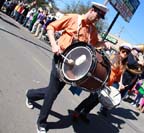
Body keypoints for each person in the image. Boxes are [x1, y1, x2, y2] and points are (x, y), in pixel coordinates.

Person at [25, 2, 110, 133]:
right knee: (52, 93)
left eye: (101, 17)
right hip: (61, 59)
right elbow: (51, 27)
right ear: (92, 10)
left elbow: (95, 44)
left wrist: (103, 43)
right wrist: (54, 45)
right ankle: (41, 122)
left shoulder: (93, 30)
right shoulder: (72, 18)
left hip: (74, 67)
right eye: (98, 15)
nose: (98, 19)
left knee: (52, 91)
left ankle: (30, 94)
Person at [71, 43, 132, 121]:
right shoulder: (114, 57)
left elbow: (119, 76)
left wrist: (121, 84)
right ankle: (77, 111)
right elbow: (105, 66)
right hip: (101, 81)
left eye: (127, 52)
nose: (125, 53)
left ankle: (84, 113)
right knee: (91, 98)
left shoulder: (123, 64)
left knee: (97, 100)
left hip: (108, 84)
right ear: (120, 51)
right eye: (124, 51)